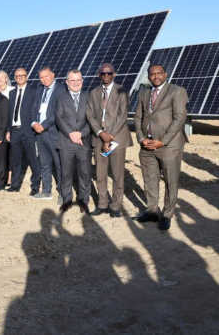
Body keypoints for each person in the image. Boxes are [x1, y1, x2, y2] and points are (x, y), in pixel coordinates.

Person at [134, 64, 188, 231]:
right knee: (150, 179)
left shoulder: (177, 91)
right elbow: (138, 117)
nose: (156, 76)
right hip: (147, 145)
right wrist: (141, 138)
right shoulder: (144, 93)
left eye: (159, 73)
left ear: (165, 74)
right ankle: (152, 210)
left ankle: (167, 214)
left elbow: (179, 119)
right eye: (152, 74)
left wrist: (162, 141)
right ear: (148, 76)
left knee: (171, 180)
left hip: (169, 146)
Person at [86, 63, 133, 218]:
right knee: (100, 173)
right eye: (103, 73)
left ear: (114, 74)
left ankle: (115, 206)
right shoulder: (94, 92)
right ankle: (102, 204)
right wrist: (101, 133)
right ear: (99, 75)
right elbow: (90, 115)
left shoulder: (121, 91)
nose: (106, 76)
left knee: (118, 174)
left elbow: (122, 115)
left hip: (116, 138)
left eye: (109, 73)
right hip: (99, 138)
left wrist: (109, 136)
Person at [55, 70, 91, 214]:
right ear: (67, 82)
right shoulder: (61, 98)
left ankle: (83, 201)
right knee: (66, 174)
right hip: (66, 141)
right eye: (72, 80)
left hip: (83, 142)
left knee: (84, 173)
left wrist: (81, 133)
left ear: (82, 81)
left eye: (78, 80)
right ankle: (67, 200)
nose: (76, 83)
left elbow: (92, 119)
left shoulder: (88, 97)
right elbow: (59, 118)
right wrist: (70, 133)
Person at [31, 67, 66, 200]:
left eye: (46, 76)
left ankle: (63, 193)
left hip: (53, 132)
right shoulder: (40, 89)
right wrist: (34, 123)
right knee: (44, 163)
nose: (44, 79)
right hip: (39, 133)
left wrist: (44, 125)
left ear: (53, 75)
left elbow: (58, 112)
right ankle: (46, 191)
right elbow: (34, 108)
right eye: (41, 77)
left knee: (59, 164)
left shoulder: (61, 89)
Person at [6, 68, 40, 195]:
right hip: (15, 131)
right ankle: (15, 185)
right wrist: (8, 130)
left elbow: (36, 110)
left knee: (33, 160)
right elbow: (10, 113)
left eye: (22, 75)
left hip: (28, 131)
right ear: (14, 78)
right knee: (16, 160)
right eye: (17, 76)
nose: (19, 77)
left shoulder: (33, 91)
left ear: (26, 77)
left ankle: (35, 187)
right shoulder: (12, 93)